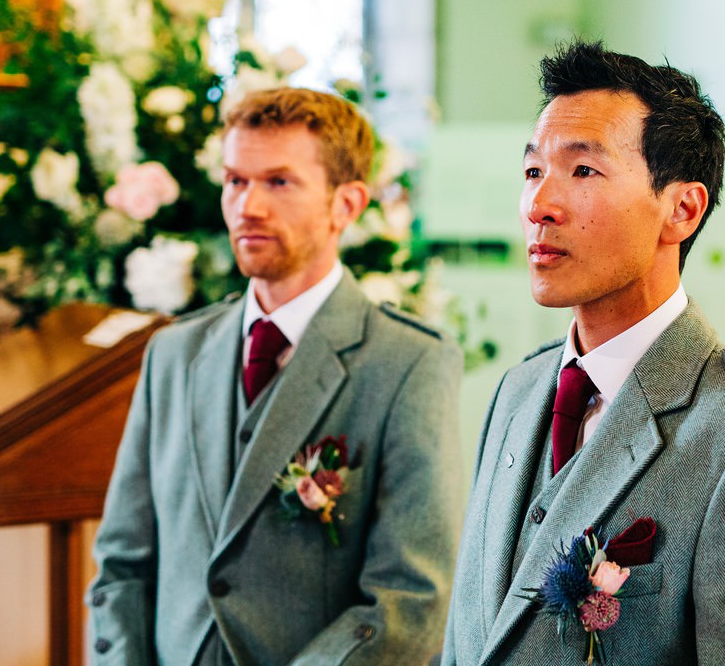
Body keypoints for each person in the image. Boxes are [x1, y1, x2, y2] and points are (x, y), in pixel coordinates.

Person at [444, 41, 725, 665]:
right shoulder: (517, 393)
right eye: (532, 171)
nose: (539, 205)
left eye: (583, 171)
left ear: (682, 209)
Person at [88, 88, 463, 665]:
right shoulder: (172, 354)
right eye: (236, 181)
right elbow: (122, 565)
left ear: (347, 204)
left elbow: (410, 600)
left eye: (278, 182)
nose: (249, 206)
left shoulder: (407, 362)